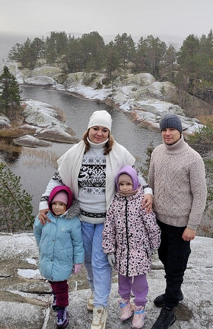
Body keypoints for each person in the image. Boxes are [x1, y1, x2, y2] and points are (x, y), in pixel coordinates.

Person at [38, 110, 153, 329]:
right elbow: (56, 179)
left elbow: (136, 177)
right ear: (89, 129)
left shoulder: (119, 153)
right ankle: (94, 292)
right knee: (88, 261)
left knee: (101, 264)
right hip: (80, 219)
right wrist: (45, 204)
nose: (99, 134)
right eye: (96, 129)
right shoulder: (76, 152)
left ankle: (100, 308)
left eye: (104, 130)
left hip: (107, 222)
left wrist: (147, 191)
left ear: (109, 132)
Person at [148, 113, 207, 329]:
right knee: (164, 258)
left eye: (171, 129)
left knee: (176, 266)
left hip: (181, 225)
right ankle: (175, 291)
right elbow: (151, 183)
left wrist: (192, 225)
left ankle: (169, 309)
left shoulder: (193, 158)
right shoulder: (157, 152)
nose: (167, 133)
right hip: (159, 221)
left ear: (180, 131)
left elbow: (200, 195)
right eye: (164, 130)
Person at [102, 166, 161, 329]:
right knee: (123, 281)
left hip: (139, 251)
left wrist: (154, 245)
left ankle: (140, 308)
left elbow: (151, 225)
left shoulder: (142, 201)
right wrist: (109, 249)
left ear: (135, 183)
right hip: (121, 252)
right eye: (121, 184)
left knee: (140, 283)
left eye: (128, 183)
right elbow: (109, 227)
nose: (125, 187)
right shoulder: (115, 203)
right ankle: (125, 304)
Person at [34, 185, 84, 329]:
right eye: (54, 204)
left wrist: (77, 261)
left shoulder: (73, 221)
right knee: (51, 280)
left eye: (61, 204)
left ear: (66, 205)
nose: (57, 207)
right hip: (47, 259)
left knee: (61, 287)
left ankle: (62, 310)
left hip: (63, 261)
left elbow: (78, 243)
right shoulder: (45, 217)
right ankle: (56, 296)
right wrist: (41, 245)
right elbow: (37, 231)